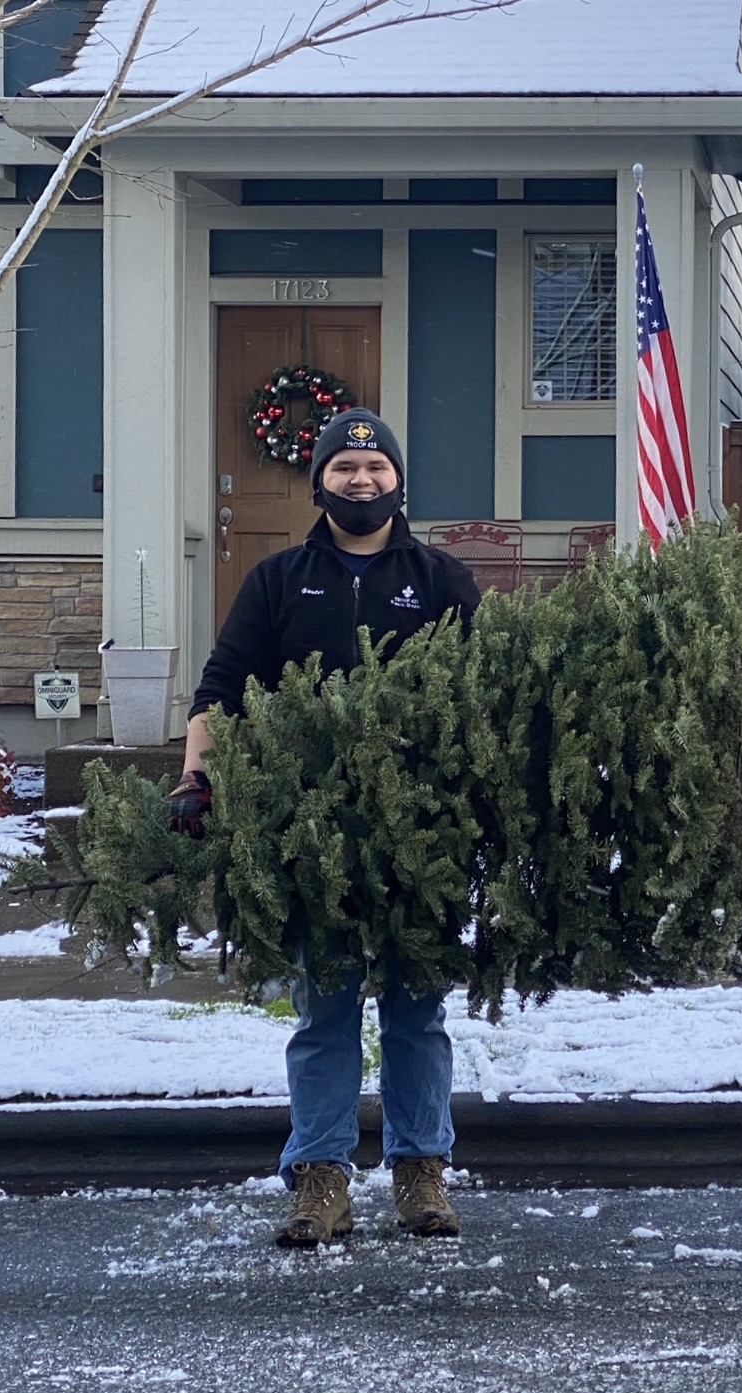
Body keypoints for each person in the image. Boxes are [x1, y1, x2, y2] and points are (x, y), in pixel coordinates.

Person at [167, 407, 480, 1249]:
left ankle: (421, 1173)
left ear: (398, 482)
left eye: (376, 469)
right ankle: (320, 1180)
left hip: (423, 832)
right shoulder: (278, 580)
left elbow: (488, 698)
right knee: (325, 1011)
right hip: (312, 833)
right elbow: (223, 686)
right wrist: (197, 780)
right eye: (344, 468)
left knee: (418, 1010)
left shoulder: (442, 579)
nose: (361, 481)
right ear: (320, 483)